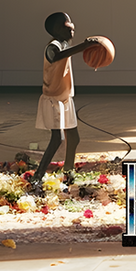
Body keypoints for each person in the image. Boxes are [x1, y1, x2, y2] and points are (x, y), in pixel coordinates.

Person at [31, 12, 98, 186]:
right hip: (53, 100)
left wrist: (91, 50)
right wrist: (84, 46)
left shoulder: (65, 43)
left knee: (73, 137)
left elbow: (67, 52)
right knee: (57, 139)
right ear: (58, 29)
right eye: (67, 23)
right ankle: (38, 175)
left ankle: (68, 170)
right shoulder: (52, 47)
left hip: (65, 98)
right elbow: (58, 56)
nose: (72, 26)